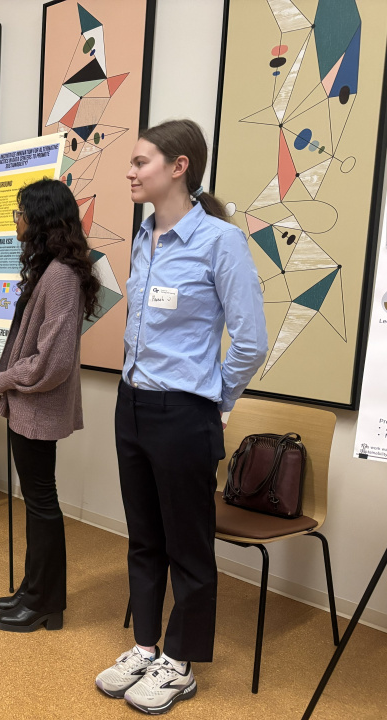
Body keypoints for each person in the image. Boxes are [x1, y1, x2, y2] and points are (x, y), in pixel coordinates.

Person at [95, 119, 268, 714]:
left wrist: (213, 400)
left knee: (187, 544)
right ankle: (145, 646)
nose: (130, 171)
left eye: (141, 161)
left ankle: (180, 661)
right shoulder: (143, 237)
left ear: (178, 166)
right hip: (133, 402)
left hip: (185, 412)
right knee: (143, 536)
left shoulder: (221, 241)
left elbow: (251, 342)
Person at [0, 178, 99, 633]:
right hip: (28, 406)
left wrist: (3, 381)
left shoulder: (62, 277)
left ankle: (47, 603)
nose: (17, 221)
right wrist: (0, 370)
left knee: (42, 503)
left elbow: (53, 362)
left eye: (21, 213)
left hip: (38, 410)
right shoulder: (52, 269)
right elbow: (29, 343)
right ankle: (34, 590)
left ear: (43, 219)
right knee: (37, 502)